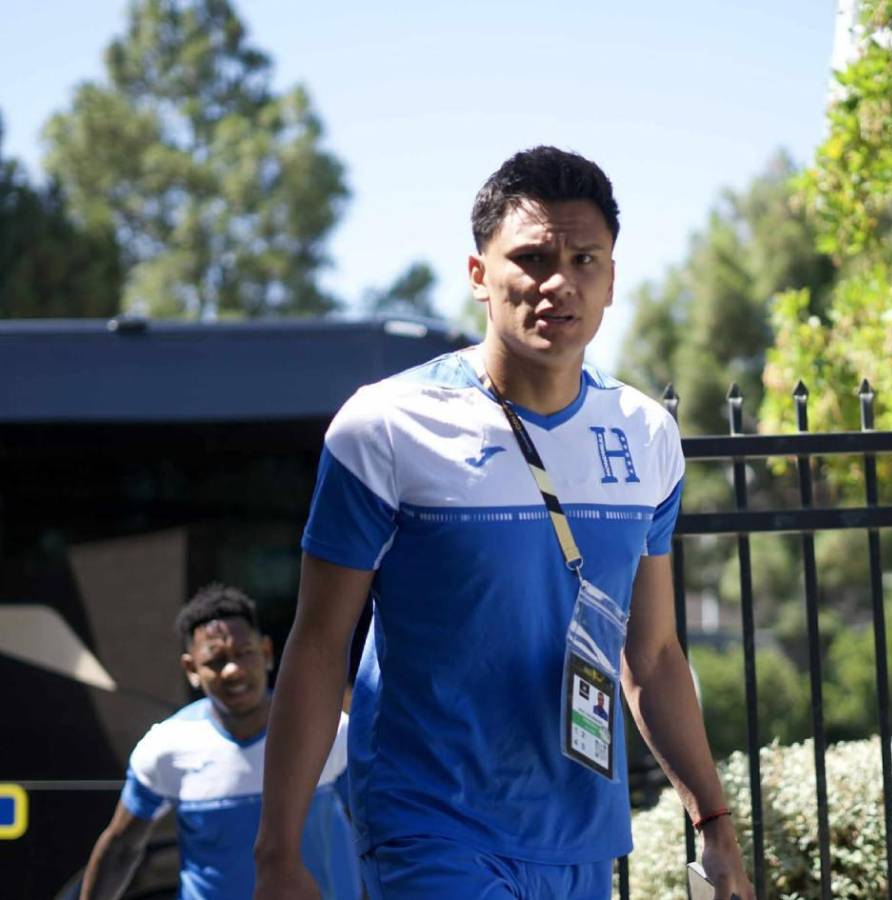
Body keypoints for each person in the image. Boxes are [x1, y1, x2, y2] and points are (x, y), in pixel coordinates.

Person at [254, 146, 753, 900]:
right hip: (430, 824)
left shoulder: (647, 434)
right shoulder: (385, 424)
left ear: (611, 280)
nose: (560, 283)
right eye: (532, 258)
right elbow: (320, 643)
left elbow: (651, 656)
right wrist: (277, 852)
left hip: (581, 835)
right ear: (479, 274)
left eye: (585, 260)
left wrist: (714, 825)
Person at [80, 583, 359, 900]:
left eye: (244, 654)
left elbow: (377, 825)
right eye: (216, 660)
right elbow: (121, 848)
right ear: (191, 669)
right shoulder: (166, 747)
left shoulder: (326, 731)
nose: (233, 670)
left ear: (266, 653)